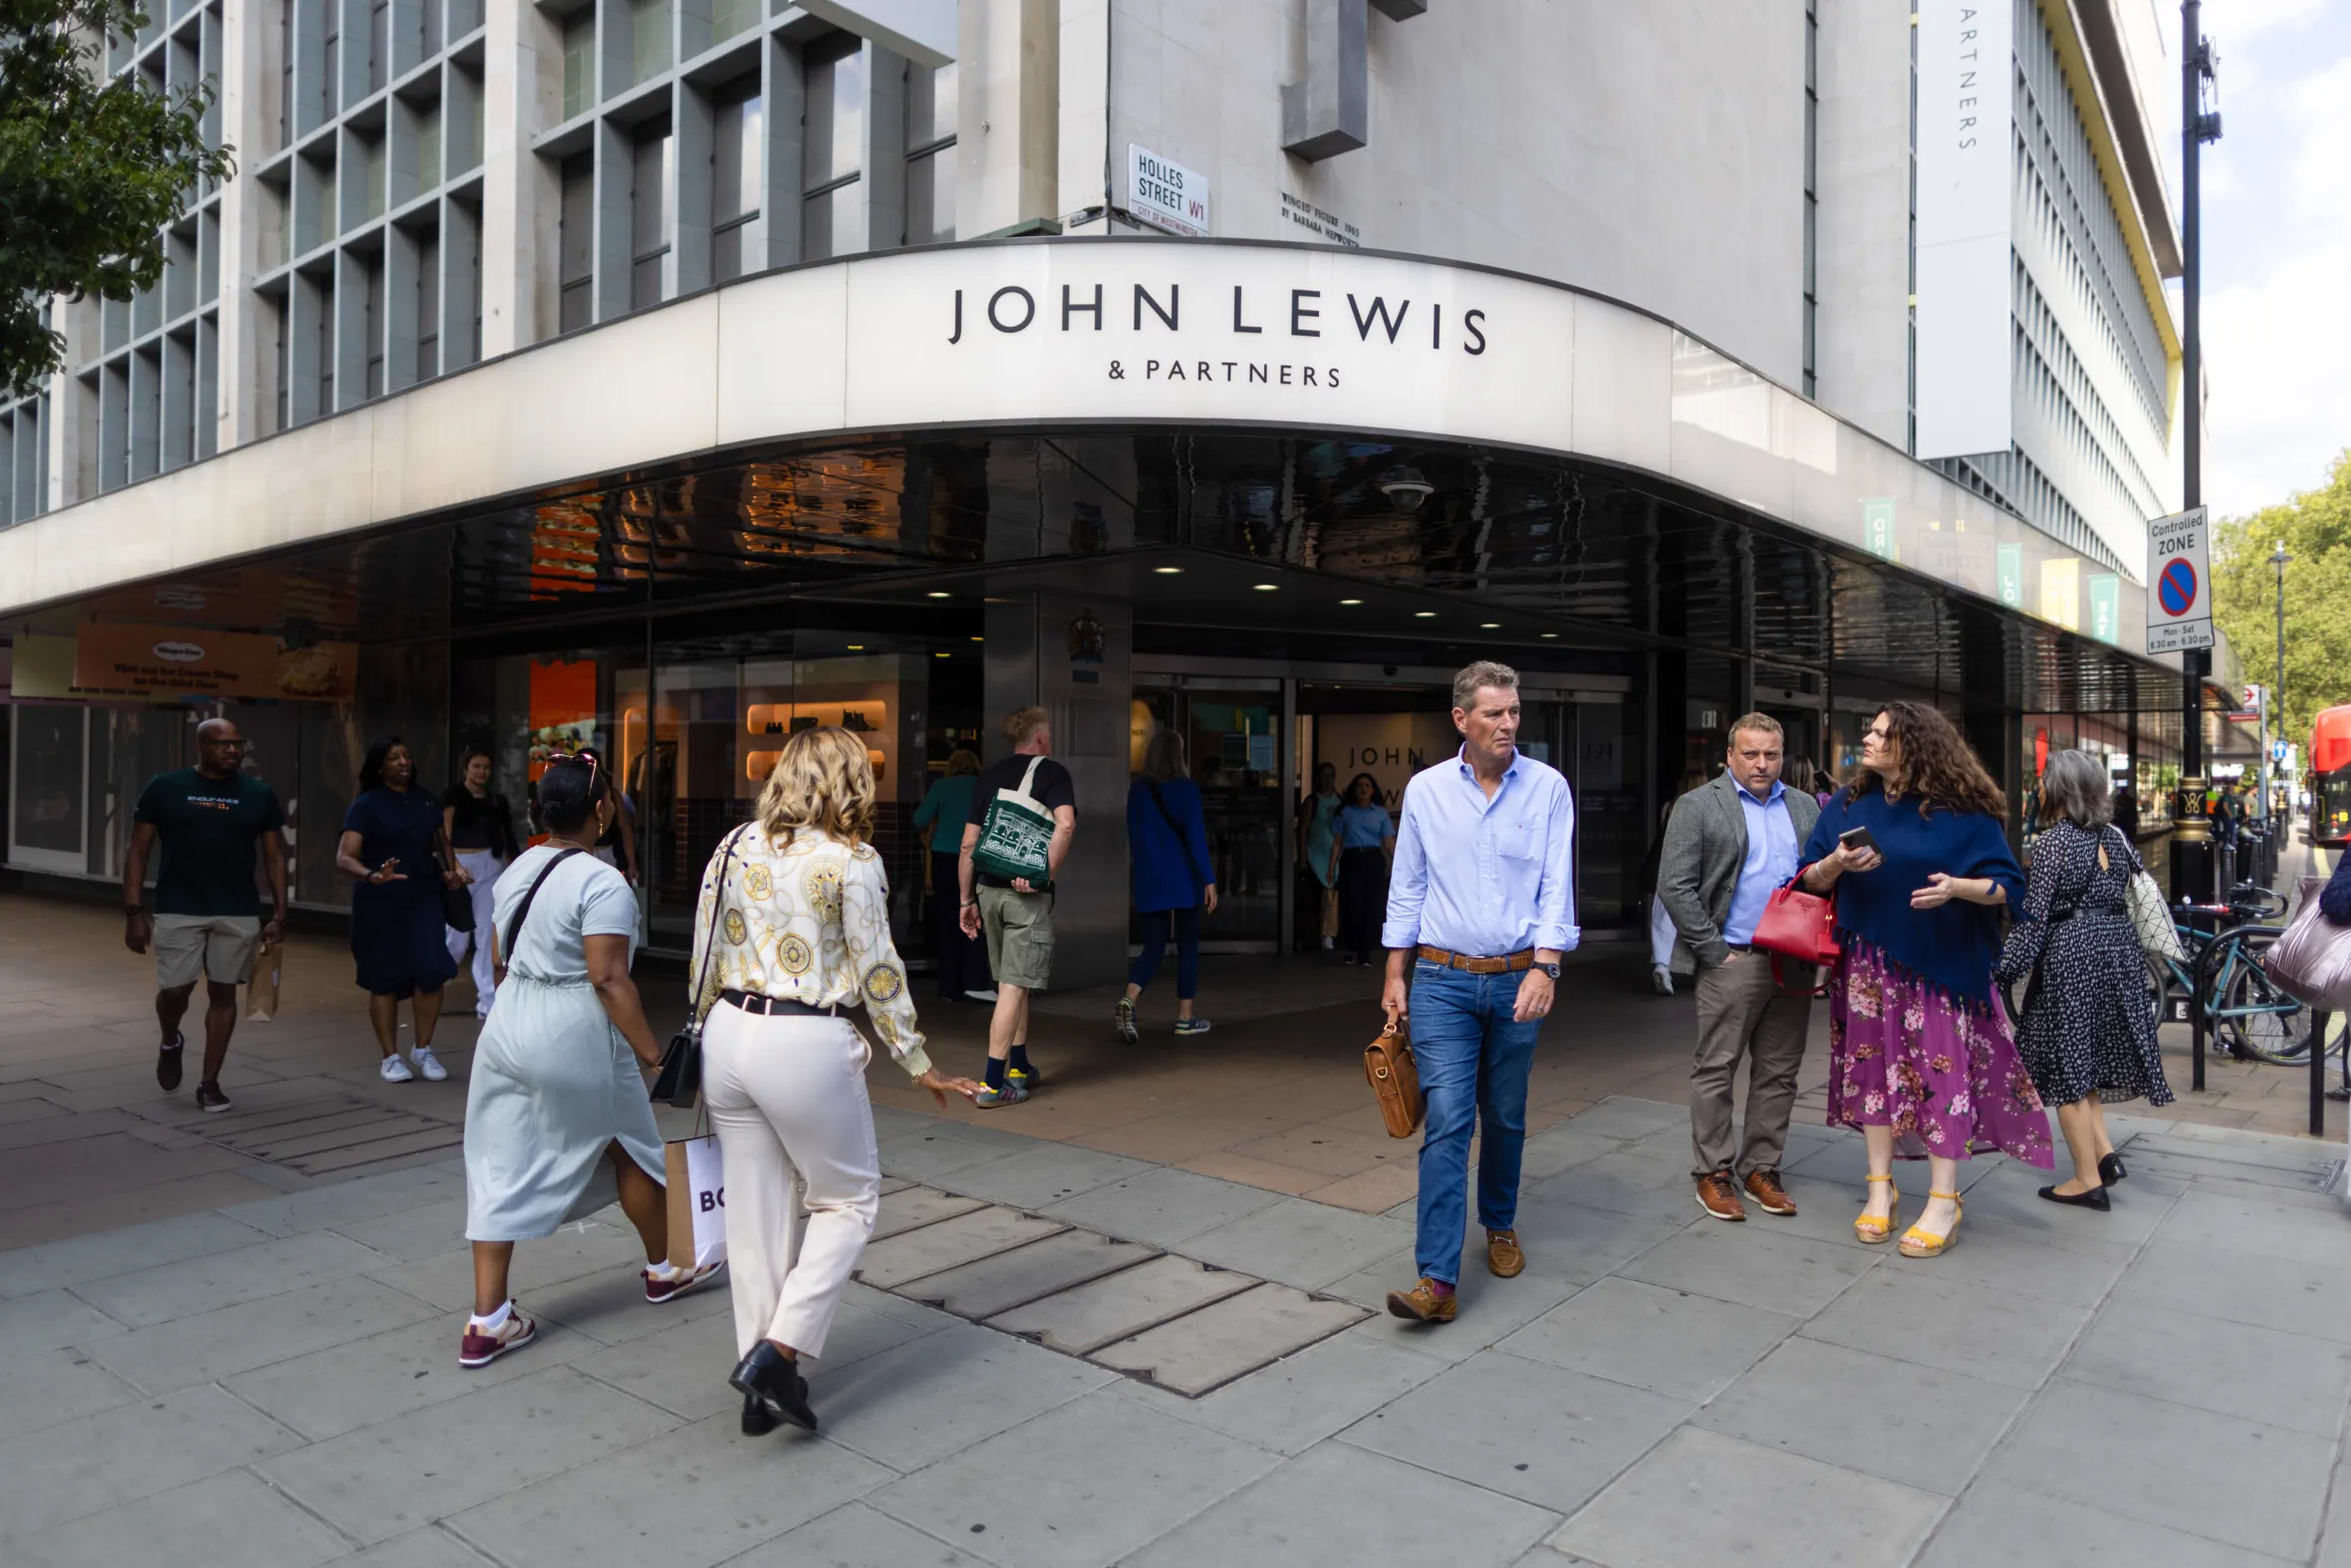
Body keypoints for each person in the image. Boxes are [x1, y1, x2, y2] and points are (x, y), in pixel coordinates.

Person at [692, 727, 984, 1434]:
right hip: (802, 1039)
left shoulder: (733, 845)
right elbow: (879, 971)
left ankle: (762, 1378)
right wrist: (917, 1061)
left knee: (755, 1213)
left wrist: (700, 1031)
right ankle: (777, 1352)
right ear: (851, 781)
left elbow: (704, 949)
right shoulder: (852, 861)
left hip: (728, 1032)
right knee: (847, 1202)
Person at [458, 755, 717, 1368]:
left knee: (498, 1161)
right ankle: (665, 1268)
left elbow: (498, 953)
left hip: (507, 1024)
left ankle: (487, 1320)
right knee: (631, 1146)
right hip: (575, 1028)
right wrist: (652, 1051)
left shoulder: (518, 867)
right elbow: (607, 978)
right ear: (602, 810)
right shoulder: (604, 883)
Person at [1797, 701, 2051, 1257]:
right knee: (1872, 1078)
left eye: (1881, 733)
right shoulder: (1848, 803)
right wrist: (1837, 864)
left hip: (1941, 971)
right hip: (1867, 967)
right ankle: (1879, 1191)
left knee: (1940, 1081)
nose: (1867, 738)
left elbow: (2010, 885)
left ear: (1913, 745)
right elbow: (1808, 880)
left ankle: (1943, 1199)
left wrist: (1957, 888)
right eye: (1870, 729)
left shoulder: (1965, 812)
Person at [1380, 661, 1576, 1324]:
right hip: (1440, 981)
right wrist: (1393, 974)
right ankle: (1435, 1279)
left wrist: (1546, 967)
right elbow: (1407, 887)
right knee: (1449, 1122)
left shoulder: (1548, 788)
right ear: (1460, 719)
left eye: (1515, 711)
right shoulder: (1427, 791)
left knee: (1507, 1115)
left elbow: (1557, 883)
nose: (1508, 725)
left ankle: (1498, 1222)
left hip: (1520, 977)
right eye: (1494, 714)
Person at [1658, 714, 1822, 1221]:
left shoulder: (1803, 805)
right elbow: (1675, 884)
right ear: (1729, 755)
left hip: (1791, 960)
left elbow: (1815, 883)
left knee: (1780, 1071)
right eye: (1750, 754)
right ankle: (1713, 1171)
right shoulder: (1699, 805)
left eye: (1771, 754)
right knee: (1717, 1068)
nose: (1762, 764)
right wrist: (1713, 951)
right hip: (1733, 956)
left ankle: (1761, 1169)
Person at [1993, 751, 2172, 1209]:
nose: (2039, 788)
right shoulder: (2115, 836)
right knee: (2083, 1059)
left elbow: (2034, 919)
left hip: (2074, 952)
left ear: (2060, 788)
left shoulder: (2054, 842)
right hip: (2118, 949)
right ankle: (2105, 1156)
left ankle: (2086, 1181)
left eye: (2044, 781)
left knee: (2068, 1068)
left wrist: (2001, 972)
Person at [123, 717, 288, 1114]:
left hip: (237, 909)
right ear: (200, 747)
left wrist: (280, 912)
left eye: (237, 743)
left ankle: (210, 1082)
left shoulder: (258, 793)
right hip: (179, 906)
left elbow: (273, 855)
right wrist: (133, 910)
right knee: (174, 992)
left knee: (223, 991)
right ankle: (170, 1038)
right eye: (222, 744)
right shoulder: (165, 787)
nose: (232, 750)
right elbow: (138, 851)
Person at [958, 706, 1077, 1107]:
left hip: (989, 890)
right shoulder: (1053, 772)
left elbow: (968, 845)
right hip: (1027, 896)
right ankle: (993, 1083)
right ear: (1040, 738)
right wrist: (1045, 872)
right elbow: (1065, 824)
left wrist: (966, 899)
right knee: (1013, 986)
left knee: (1014, 981)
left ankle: (1019, 1067)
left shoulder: (990, 775)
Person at [337, 735, 465, 1083]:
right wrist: (372, 875)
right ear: (381, 765)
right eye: (394, 758)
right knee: (385, 978)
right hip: (381, 903)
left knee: (432, 970)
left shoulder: (425, 800)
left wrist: (452, 872)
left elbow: (442, 842)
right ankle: (390, 1056)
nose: (404, 762)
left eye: (407, 756)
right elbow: (345, 856)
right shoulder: (367, 804)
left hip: (424, 898)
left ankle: (423, 1049)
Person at [1118, 729, 1219, 1040]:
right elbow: (1195, 839)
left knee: (1153, 946)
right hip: (1184, 878)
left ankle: (1129, 999)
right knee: (1188, 945)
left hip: (1150, 876)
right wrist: (1209, 879)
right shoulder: (1187, 790)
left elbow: (1133, 835)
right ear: (1179, 756)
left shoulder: (1137, 790)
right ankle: (1185, 1019)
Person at [443, 746, 521, 1019]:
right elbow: (444, 837)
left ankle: (487, 1000)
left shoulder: (496, 801)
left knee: (488, 934)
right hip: (460, 866)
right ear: (466, 768)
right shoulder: (452, 797)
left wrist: (516, 865)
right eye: (476, 766)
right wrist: (454, 867)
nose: (482, 771)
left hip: (489, 865)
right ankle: (433, 982)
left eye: (486, 767)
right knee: (456, 938)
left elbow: (506, 835)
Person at [912, 749, 991, 1003]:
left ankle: (948, 988)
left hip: (944, 859)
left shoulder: (942, 786)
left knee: (947, 920)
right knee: (976, 919)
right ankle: (976, 983)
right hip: (977, 859)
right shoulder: (983, 786)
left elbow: (919, 818)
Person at [1644, 769, 1708, 995]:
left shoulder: (1670, 807)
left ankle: (1662, 964)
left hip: (1669, 867)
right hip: (1699, 870)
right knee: (1701, 917)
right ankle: (1703, 967)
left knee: (1663, 917)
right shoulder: (1708, 807)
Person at [1331, 773, 1396, 967]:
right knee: (1352, 905)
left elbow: (1388, 842)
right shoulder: (1346, 813)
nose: (1363, 789)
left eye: (1367, 785)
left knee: (1372, 906)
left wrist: (1401, 864)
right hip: (1352, 859)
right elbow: (1337, 842)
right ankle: (1351, 949)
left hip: (1373, 859)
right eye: (1360, 785)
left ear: (1373, 790)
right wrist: (1331, 866)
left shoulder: (1380, 813)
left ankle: (1365, 952)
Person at [1297, 761, 1343, 951]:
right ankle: (1312, 937)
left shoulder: (1339, 800)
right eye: (1324, 775)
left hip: (1335, 859)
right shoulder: (1312, 801)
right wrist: (1301, 859)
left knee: (1331, 898)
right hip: (1315, 857)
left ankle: (1328, 934)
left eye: (1331, 775)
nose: (1328, 779)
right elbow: (1301, 830)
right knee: (1314, 899)